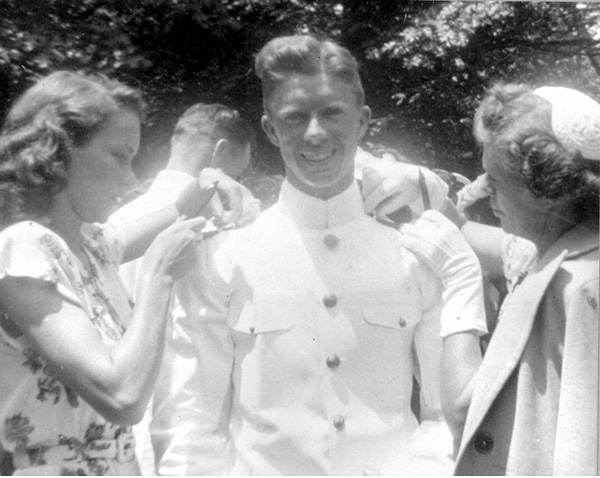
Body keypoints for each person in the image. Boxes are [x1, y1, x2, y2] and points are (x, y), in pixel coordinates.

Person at [152, 34, 487, 475]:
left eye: (332, 113)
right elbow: (190, 419)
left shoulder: (418, 249)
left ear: (363, 121)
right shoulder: (224, 252)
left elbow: (442, 416)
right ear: (270, 129)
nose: (315, 134)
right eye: (294, 118)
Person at [0, 71, 244, 475]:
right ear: (58, 152)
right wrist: (159, 276)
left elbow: (181, 210)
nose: (131, 178)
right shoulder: (23, 245)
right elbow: (121, 396)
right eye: (120, 155)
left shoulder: (90, 247)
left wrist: (209, 182)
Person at [363, 84, 599, 475]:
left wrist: (459, 278)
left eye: (495, 179)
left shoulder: (577, 288)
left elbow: (464, 411)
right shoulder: (566, 248)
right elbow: (477, 236)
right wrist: (424, 187)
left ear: (546, 191)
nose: (483, 189)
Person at [110, 101, 258, 475]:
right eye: (241, 172)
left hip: (124, 444)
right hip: (199, 448)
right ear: (221, 152)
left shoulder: (116, 224)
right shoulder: (233, 228)